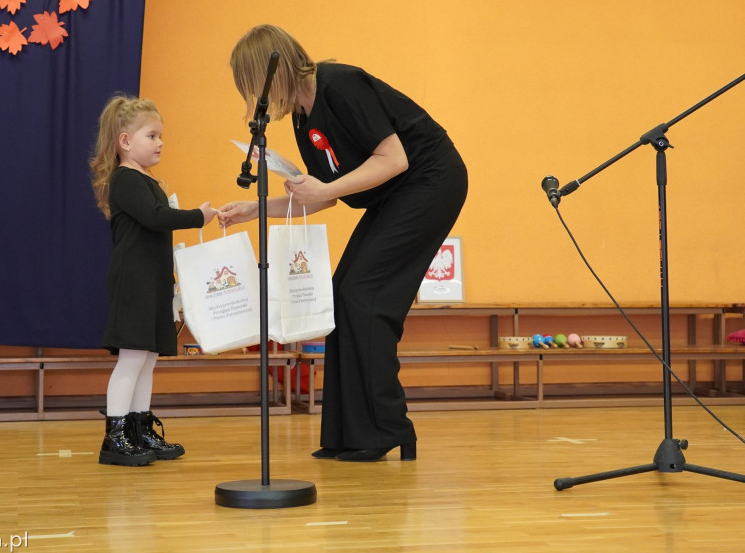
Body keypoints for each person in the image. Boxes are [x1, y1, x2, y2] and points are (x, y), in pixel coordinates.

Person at [219, 25, 468, 462]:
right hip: (397, 191)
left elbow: (394, 159)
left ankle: (385, 429)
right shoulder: (302, 115)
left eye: (253, 85)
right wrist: (254, 209)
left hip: (430, 180)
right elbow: (323, 195)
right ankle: (349, 432)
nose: (254, 99)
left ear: (270, 72)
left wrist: (319, 191)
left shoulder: (341, 84)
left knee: (365, 296)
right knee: (343, 294)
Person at [89, 95, 217, 466]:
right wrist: (199, 216)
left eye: (161, 135)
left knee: (147, 360)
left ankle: (139, 429)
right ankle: (114, 439)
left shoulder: (146, 179)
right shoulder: (125, 179)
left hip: (154, 280)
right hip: (134, 282)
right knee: (131, 360)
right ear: (125, 141)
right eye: (152, 135)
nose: (160, 142)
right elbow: (157, 217)